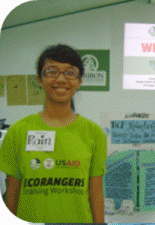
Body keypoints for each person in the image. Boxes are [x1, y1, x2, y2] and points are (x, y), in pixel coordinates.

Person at [0, 44, 107, 223]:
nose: (61, 79)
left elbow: (95, 193)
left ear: (79, 81)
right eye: (52, 71)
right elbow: (12, 192)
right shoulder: (17, 131)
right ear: (39, 79)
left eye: (70, 72)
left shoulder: (94, 133)